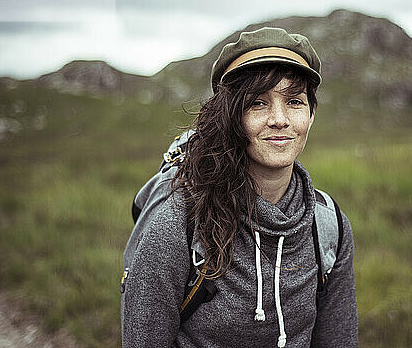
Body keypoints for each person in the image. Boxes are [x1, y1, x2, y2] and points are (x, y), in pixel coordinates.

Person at [121, 27, 358, 347]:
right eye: (258, 103)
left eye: (294, 102)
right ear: (231, 116)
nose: (280, 119)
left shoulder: (328, 225)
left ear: (311, 115)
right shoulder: (178, 223)